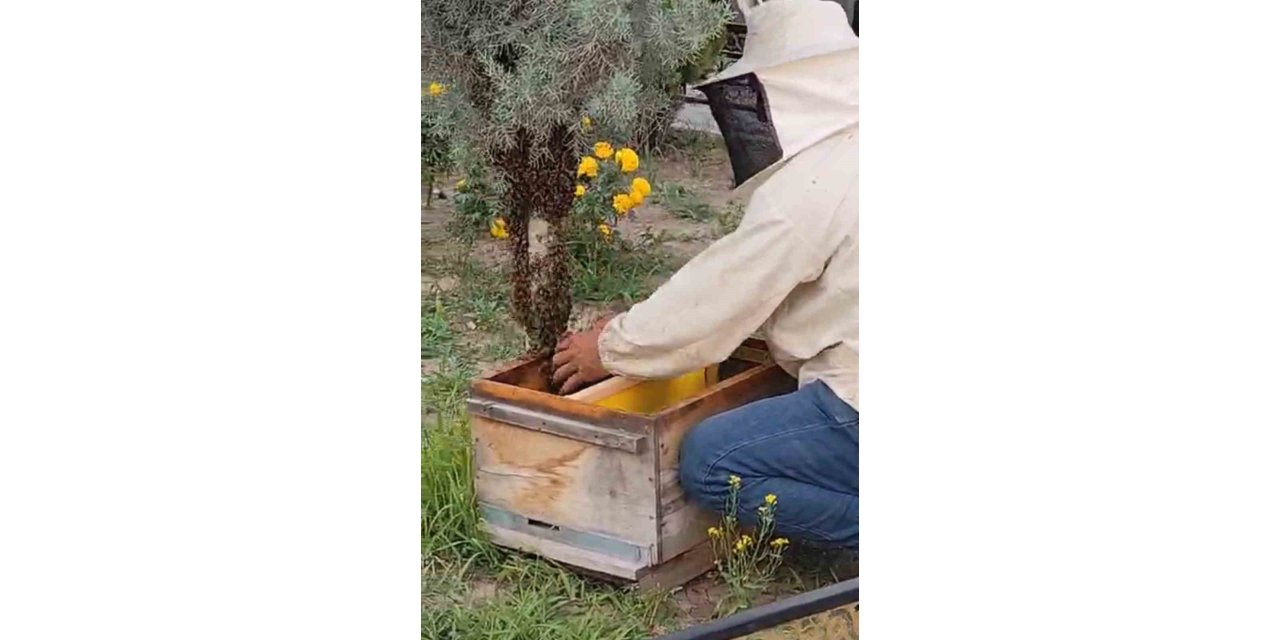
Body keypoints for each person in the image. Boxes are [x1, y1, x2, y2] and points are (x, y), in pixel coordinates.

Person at [552, 0, 858, 549]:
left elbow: (723, 294)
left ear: (789, 85)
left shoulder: (816, 181)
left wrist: (611, 346)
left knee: (711, 460)